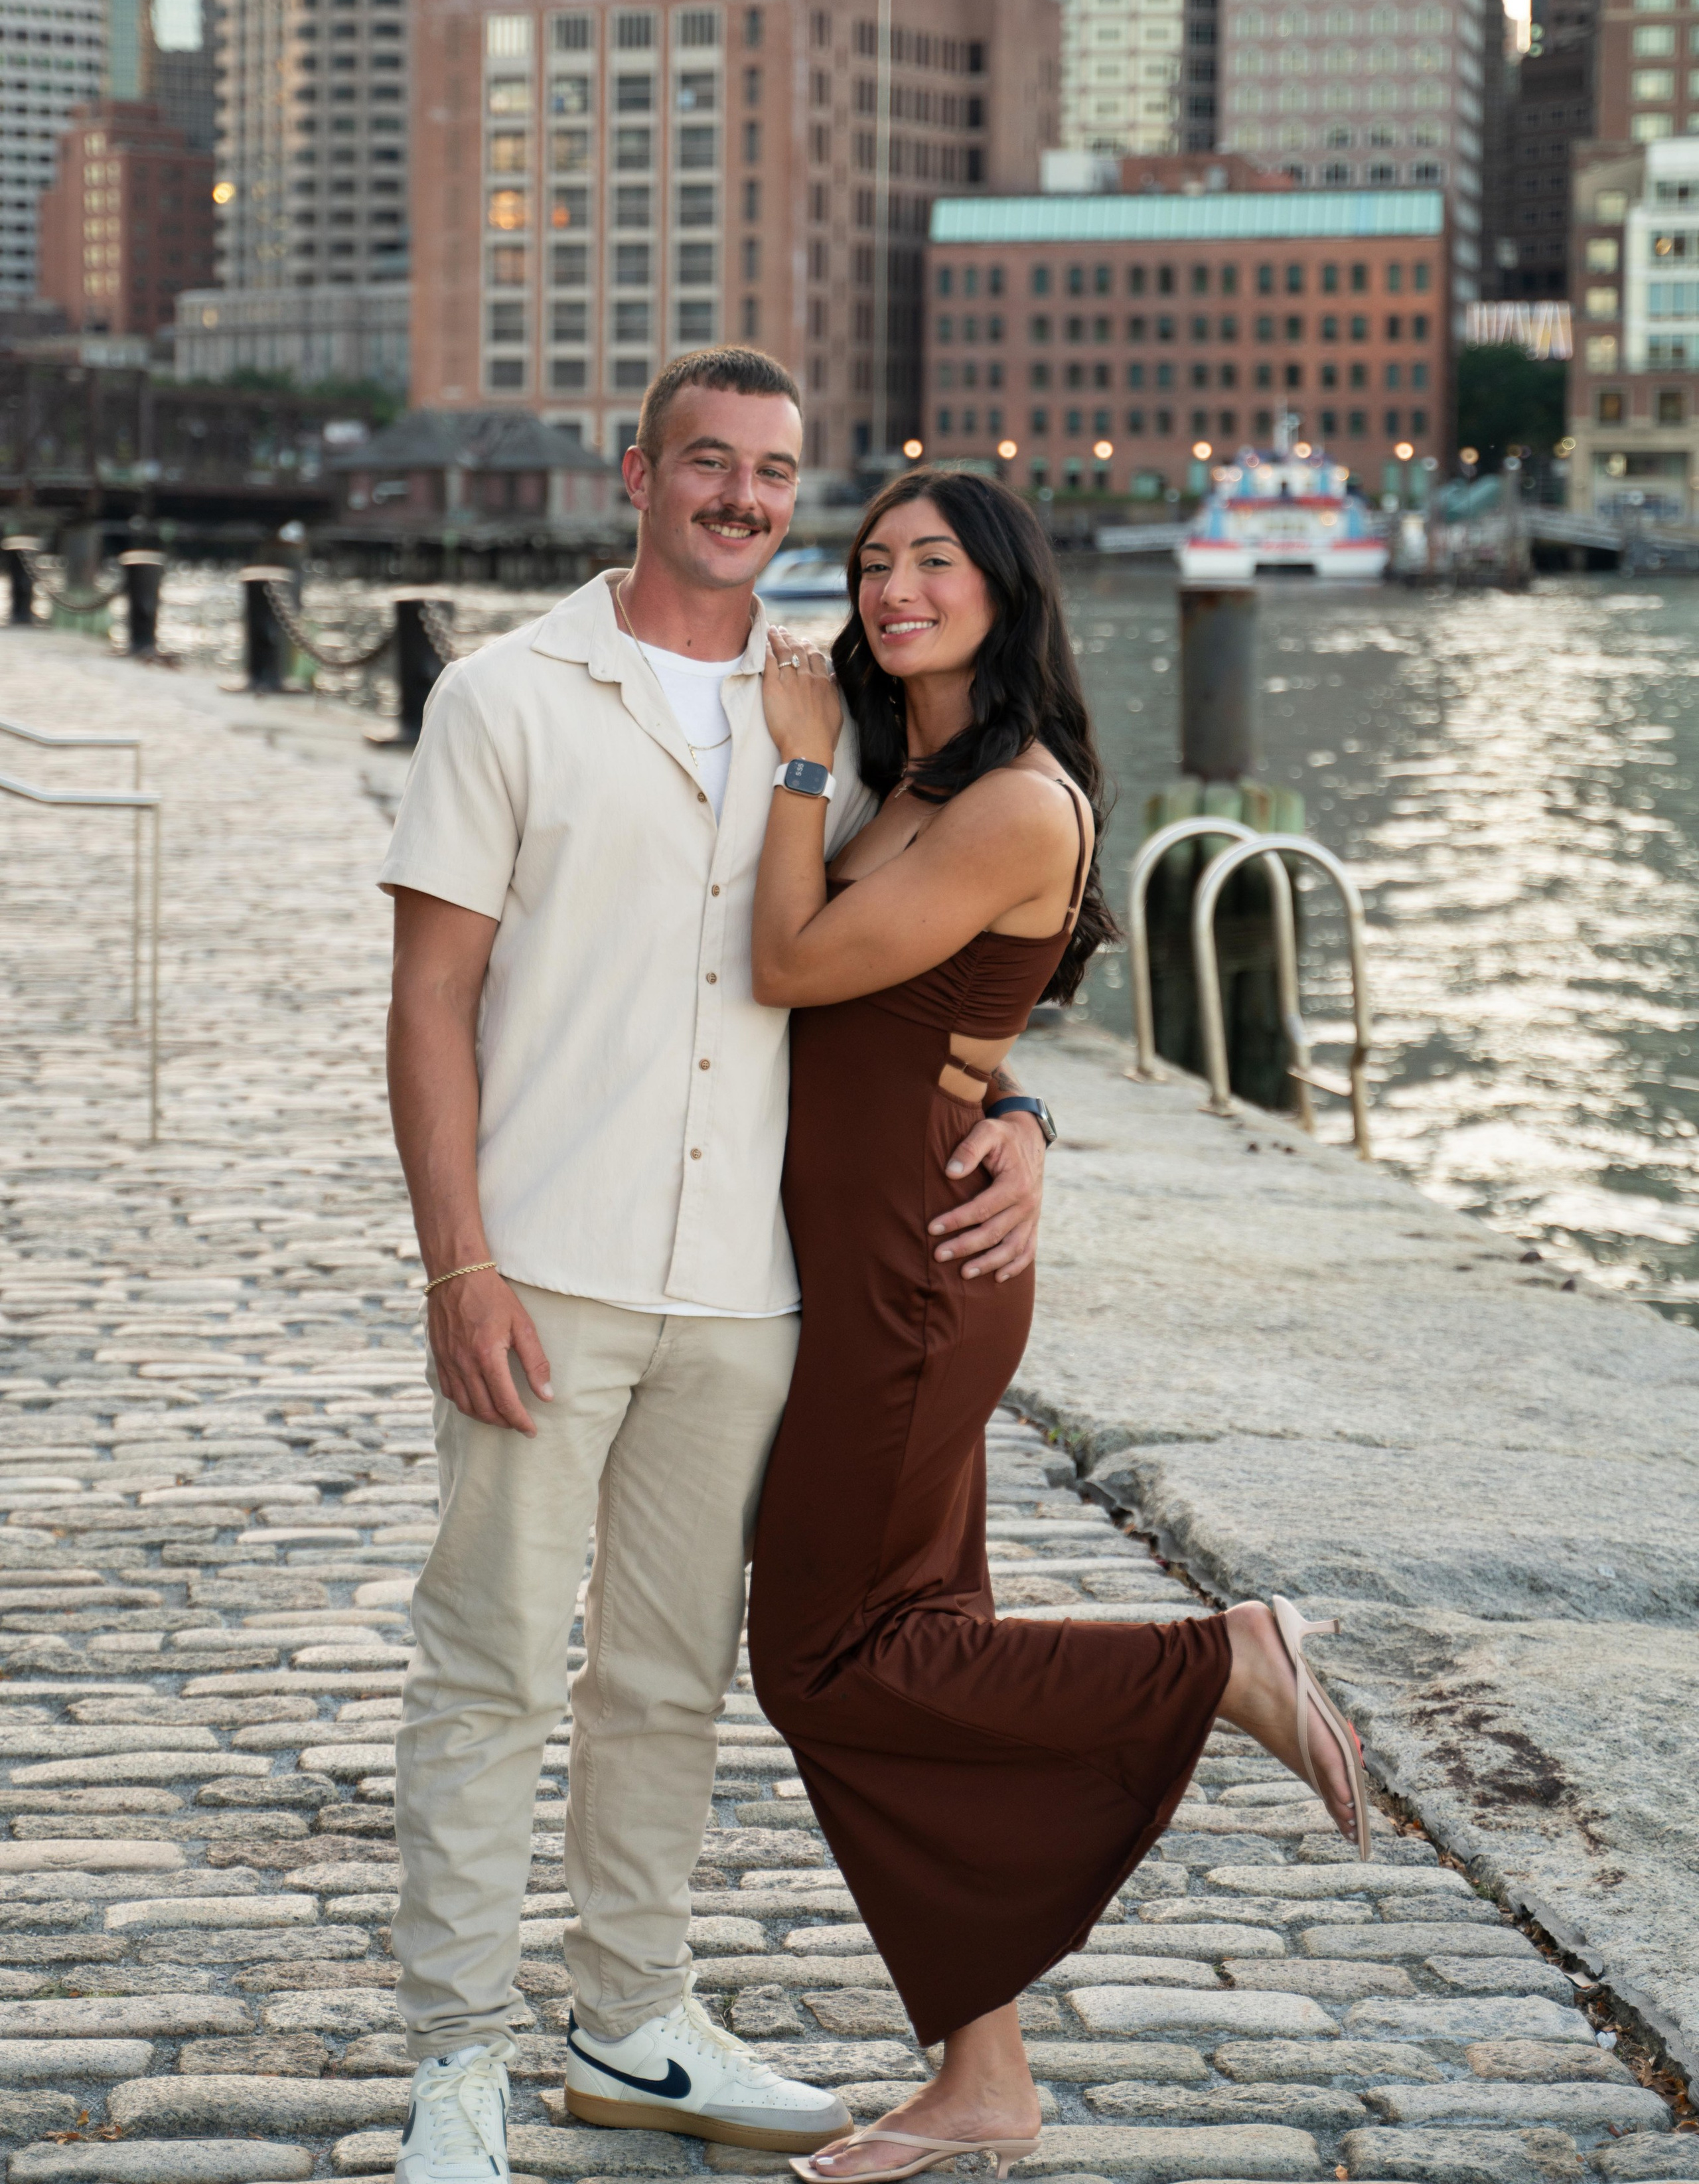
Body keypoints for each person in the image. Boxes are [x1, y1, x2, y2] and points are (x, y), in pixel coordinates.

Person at [378, 354, 1052, 2184]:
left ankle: (633, 2020)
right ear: (640, 474)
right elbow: (429, 1001)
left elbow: (937, 962)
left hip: (751, 1291)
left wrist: (1027, 1114)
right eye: (710, 463)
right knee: (495, 1665)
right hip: (553, 1260)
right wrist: (460, 1267)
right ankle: (456, 2059)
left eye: (775, 472)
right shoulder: (510, 698)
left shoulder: (848, 719)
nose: (746, 498)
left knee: (671, 1679)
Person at [745, 467, 1374, 2184]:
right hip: (898, 1245)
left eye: (935, 562)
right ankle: (984, 2078)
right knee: (917, 1650)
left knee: (824, 1661)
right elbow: (936, 1026)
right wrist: (1018, 1110)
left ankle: (1217, 1661)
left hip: (902, 1282)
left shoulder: (1013, 801)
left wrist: (802, 760)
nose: (892, 589)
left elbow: (797, 970)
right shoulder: (928, 774)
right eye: (874, 561)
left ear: (1010, 591)